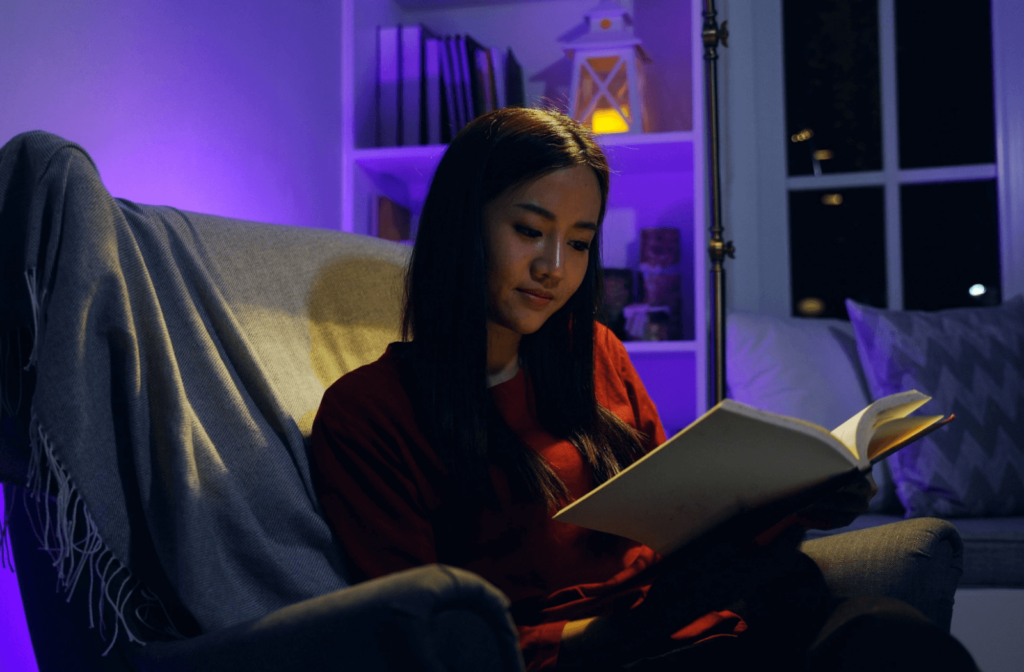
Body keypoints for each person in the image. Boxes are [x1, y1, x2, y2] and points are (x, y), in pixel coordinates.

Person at [309, 108, 976, 671]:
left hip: (707, 624)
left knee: (898, 638)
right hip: (606, 653)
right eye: (529, 231)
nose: (553, 268)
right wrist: (643, 619)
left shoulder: (592, 354)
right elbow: (421, 643)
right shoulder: (370, 413)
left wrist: (802, 500)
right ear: (463, 225)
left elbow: (681, 523)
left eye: (578, 242)